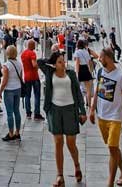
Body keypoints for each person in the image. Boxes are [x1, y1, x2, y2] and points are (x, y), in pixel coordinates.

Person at [38, 51, 86, 186]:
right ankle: (60, 176)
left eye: (63, 61)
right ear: (54, 64)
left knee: (71, 144)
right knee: (58, 142)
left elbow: (78, 93)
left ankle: (77, 166)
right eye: (60, 62)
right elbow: (39, 62)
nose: (63, 63)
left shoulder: (71, 74)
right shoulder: (49, 72)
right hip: (54, 110)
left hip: (70, 110)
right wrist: (52, 60)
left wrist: (82, 111)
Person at [90, 47, 122, 187]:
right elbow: (97, 91)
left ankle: (110, 183)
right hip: (101, 116)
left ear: (108, 58)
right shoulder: (101, 71)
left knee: (112, 147)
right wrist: (92, 110)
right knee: (113, 148)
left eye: (101, 57)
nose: (100, 59)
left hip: (115, 117)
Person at [0, 44, 23, 142]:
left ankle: (11, 133)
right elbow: (21, 77)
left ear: (7, 53)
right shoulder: (19, 64)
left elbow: (4, 80)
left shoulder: (6, 65)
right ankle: (17, 132)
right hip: (18, 88)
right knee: (17, 111)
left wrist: (0, 91)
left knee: (9, 113)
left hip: (9, 90)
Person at [21, 39, 44, 120]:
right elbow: (34, 64)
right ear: (31, 45)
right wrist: (38, 67)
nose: (35, 46)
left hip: (26, 77)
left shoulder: (23, 54)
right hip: (34, 77)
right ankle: (37, 114)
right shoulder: (32, 53)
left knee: (27, 95)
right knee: (37, 95)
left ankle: (28, 113)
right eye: (34, 44)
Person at [73, 39, 99, 108]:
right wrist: (90, 71)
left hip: (80, 70)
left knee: (78, 89)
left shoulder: (77, 52)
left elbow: (77, 63)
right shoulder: (86, 52)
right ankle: (89, 105)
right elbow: (89, 62)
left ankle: (80, 104)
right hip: (86, 70)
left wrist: (77, 74)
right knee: (88, 90)